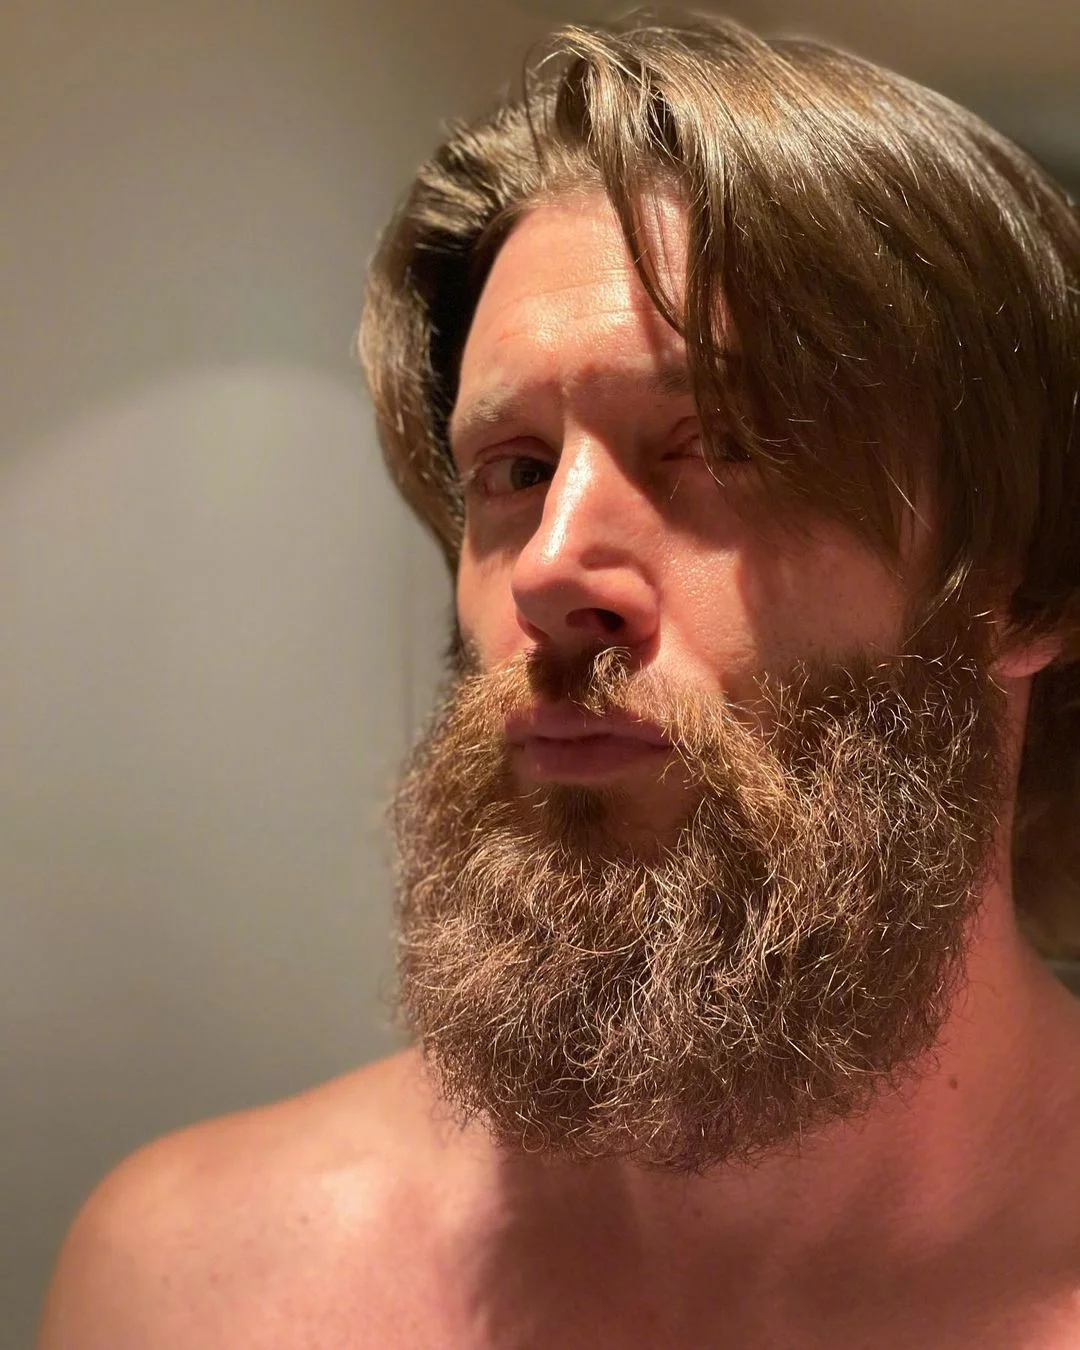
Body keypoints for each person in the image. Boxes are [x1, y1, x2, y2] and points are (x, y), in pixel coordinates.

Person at [37, 12, 1080, 1349]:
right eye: (516, 470)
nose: (546, 568)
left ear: (1028, 584)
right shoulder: (195, 1285)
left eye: (723, 444)